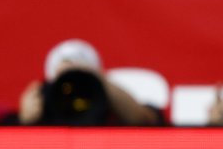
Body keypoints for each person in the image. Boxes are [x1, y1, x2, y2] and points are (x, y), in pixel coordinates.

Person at [18, 40, 165, 127]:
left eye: (81, 79)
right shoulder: (43, 104)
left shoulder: (112, 104)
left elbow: (144, 120)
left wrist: (100, 81)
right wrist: (24, 121)